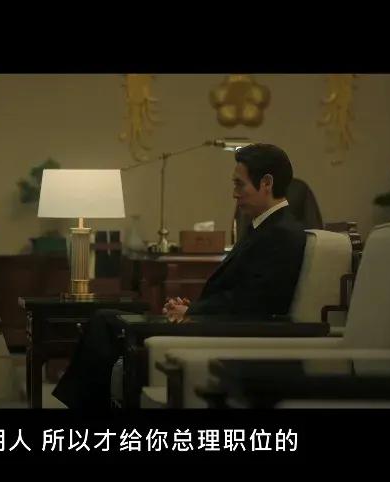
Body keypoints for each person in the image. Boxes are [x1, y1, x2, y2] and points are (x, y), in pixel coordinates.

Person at [53, 143, 307, 409]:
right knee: (107, 319)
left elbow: (254, 303)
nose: (234, 194)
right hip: (213, 321)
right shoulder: (264, 227)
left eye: (239, 185)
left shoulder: (281, 234)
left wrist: (193, 312)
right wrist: (191, 309)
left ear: (266, 183)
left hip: (224, 331)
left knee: (104, 322)